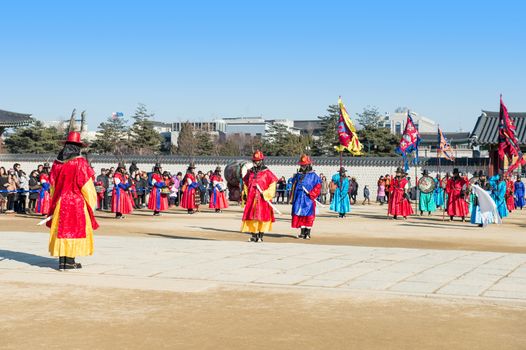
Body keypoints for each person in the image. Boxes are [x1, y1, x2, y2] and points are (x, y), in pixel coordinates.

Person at [46, 130, 99, 270]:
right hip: (76, 202)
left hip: (60, 201)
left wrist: (55, 199)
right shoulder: (80, 162)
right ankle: (70, 261)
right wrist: (91, 202)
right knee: (74, 231)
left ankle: (62, 261)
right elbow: (86, 185)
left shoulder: (57, 163)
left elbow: (52, 185)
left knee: (61, 230)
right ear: (78, 147)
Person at [241, 150, 278, 243]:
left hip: (262, 199)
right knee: (252, 216)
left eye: (258, 160)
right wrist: (245, 194)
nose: (256, 162)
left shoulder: (267, 172)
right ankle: (254, 235)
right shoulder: (250, 173)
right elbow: (245, 183)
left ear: (261, 161)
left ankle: (260, 235)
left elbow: (273, 184)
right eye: (255, 161)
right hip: (252, 198)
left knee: (262, 216)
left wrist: (266, 194)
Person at [290, 155, 322, 239]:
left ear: (308, 165)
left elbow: (318, 186)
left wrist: (312, 193)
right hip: (299, 198)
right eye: (301, 165)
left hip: (308, 198)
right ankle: (302, 232)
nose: (302, 167)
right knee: (300, 214)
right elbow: (293, 185)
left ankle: (307, 233)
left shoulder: (313, 175)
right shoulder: (298, 175)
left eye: (304, 165)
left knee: (309, 215)